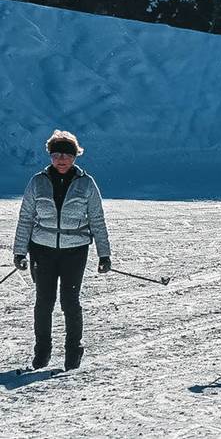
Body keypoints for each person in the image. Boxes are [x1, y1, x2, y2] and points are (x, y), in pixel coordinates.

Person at [13, 130, 112, 371]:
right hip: (42, 250)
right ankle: (42, 354)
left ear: (75, 156)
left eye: (66, 154)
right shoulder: (37, 182)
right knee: (43, 303)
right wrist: (20, 251)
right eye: (56, 154)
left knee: (70, 302)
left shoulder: (86, 183)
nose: (61, 159)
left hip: (74, 251)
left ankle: (73, 352)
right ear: (50, 155)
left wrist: (104, 254)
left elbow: (97, 219)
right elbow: (26, 217)